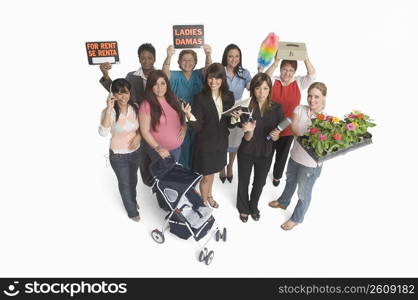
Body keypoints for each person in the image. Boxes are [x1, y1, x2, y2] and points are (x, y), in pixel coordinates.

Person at [268, 82, 327, 230]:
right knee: (290, 181)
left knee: (303, 193)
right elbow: (293, 126)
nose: (312, 100)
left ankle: (296, 218)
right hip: (295, 156)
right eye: (310, 96)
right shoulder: (300, 109)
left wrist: (306, 136)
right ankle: (283, 201)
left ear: (324, 98)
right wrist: (303, 135)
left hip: (311, 165)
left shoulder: (326, 120)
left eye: (317, 97)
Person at [99, 43, 156, 187]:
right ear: (138, 59)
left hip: (155, 121)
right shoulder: (131, 76)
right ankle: (148, 182)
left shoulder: (159, 75)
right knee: (143, 155)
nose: (146, 61)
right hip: (137, 121)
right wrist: (106, 75)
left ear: (155, 59)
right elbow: (118, 90)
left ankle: (159, 180)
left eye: (150, 58)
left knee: (156, 152)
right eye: (143, 58)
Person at [184, 63, 234, 208]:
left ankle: (209, 195)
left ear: (223, 79)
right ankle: (203, 204)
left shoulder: (228, 96)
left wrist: (236, 117)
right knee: (206, 177)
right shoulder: (200, 97)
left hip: (221, 143)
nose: (213, 82)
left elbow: (229, 124)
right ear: (206, 79)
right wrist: (188, 115)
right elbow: (198, 126)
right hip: (205, 144)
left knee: (212, 173)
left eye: (217, 78)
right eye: (210, 78)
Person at [236, 73, 284, 223]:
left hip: (266, 152)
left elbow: (276, 134)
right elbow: (247, 138)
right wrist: (249, 130)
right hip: (247, 151)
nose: (261, 92)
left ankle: (253, 205)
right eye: (258, 88)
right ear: (253, 90)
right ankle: (243, 207)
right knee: (243, 180)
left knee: (260, 182)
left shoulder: (277, 108)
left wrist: (277, 136)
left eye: (265, 88)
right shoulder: (245, 107)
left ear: (269, 89)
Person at [263, 53, 316, 187]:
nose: (287, 73)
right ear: (280, 69)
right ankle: (262, 174)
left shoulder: (298, 82)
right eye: (285, 69)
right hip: (270, 126)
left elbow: (312, 75)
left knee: (282, 155)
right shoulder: (273, 81)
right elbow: (264, 77)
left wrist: (305, 59)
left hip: (288, 129)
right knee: (266, 154)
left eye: (291, 70)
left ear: (295, 72)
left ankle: (277, 176)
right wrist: (275, 62)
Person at [162, 45, 212, 169]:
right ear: (178, 62)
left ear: (195, 62)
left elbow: (210, 70)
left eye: (191, 60)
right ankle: (184, 175)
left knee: (197, 148)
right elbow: (164, 75)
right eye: (184, 59)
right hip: (179, 120)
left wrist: (208, 54)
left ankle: (194, 176)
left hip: (198, 119)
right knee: (183, 148)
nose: (187, 62)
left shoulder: (199, 74)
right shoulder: (175, 75)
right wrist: (169, 56)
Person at [98, 78, 142, 222]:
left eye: (126, 93)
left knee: (134, 180)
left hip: (135, 153)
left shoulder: (134, 107)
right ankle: (131, 211)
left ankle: (133, 200)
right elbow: (103, 133)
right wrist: (109, 108)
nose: (123, 97)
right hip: (118, 156)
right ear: (113, 94)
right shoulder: (109, 112)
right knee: (124, 183)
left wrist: (139, 137)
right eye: (119, 93)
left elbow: (142, 127)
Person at [219, 44, 252, 184]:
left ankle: (230, 166)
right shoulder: (219, 71)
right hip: (221, 110)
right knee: (221, 141)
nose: (233, 59)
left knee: (234, 141)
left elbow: (253, 88)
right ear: (225, 57)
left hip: (238, 111)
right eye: (230, 56)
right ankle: (221, 167)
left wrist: (260, 71)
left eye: (237, 56)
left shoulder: (244, 73)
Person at [139, 70, 186, 163]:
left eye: (162, 83)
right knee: (165, 177)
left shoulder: (173, 98)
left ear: (167, 84)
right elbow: (144, 131)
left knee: (175, 176)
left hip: (176, 149)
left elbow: (181, 117)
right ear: (150, 86)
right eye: (155, 84)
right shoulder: (146, 105)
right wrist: (158, 148)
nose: (159, 87)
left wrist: (184, 127)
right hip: (161, 152)